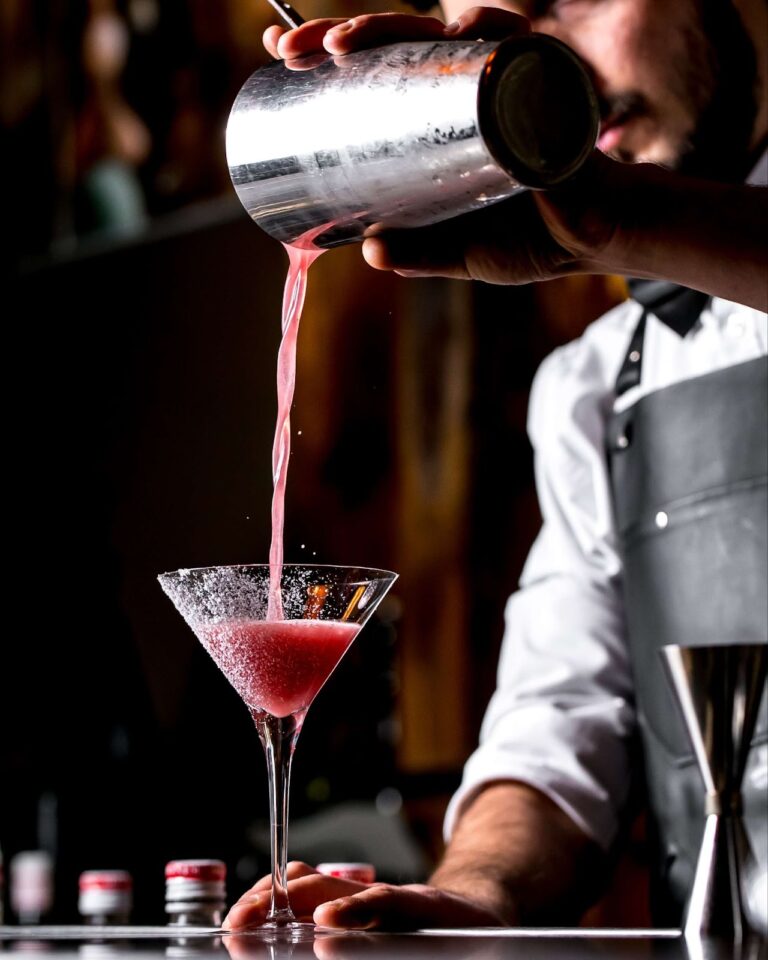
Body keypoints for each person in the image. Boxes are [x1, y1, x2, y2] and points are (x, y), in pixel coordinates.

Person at [224, 0, 768, 932]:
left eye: (573, 1)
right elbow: (557, 730)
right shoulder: (594, 387)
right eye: (499, 30)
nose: (549, 58)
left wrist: (628, 218)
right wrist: (472, 891)